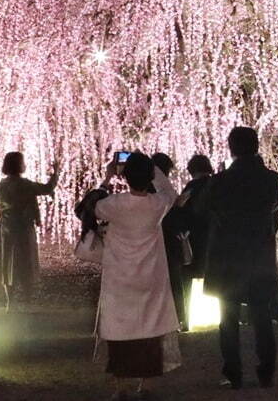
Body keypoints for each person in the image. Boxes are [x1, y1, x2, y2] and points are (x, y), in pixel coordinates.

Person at [194, 127, 278, 389]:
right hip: (258, 255)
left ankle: (233, 372)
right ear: (256, 146)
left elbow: (200, 209)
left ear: (231, 148)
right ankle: (267, 370)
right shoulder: (270, 179)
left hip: (228, 256)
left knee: (228, 316)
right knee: (262, 314)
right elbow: (272, 209)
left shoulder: (220, 181)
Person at [90, 151, 182, 398]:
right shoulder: (157, 204)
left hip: (120, 276)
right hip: (150, 275)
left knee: (120, 329)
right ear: (150, 176)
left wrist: (107, 178)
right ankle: (148, 385)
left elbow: (92, 206)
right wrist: (154, 169)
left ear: (125, 177)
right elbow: (170, 191)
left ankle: (120, 387)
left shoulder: (113, 205)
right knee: (150, 330)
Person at [0, 150, 59, 306]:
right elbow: (47, 188)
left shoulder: (1, 186)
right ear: (18, 165)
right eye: (23, 162)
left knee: (8, 262)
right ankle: (27, 300)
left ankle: (10, 302)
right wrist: (55, 173)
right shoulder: (25, 185)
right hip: (23, 228)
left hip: (7, 228)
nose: (25, 164)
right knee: (26, 261)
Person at [167, 154, 215, 330]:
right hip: (215, 238)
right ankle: (230, 316)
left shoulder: (191, 188)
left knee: (185, 279)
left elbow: (182, 212)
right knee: (220, 279)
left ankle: (185, 320)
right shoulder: (217, 185)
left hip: (193, 238)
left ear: (191, 170)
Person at [151, 154, 190, 331]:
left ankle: (162, 319)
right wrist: (178, 206)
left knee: (162, 282)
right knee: (174, 281)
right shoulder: (164, 191)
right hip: (169, 241)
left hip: (155, 243)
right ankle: (178, 319)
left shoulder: (149, 188)